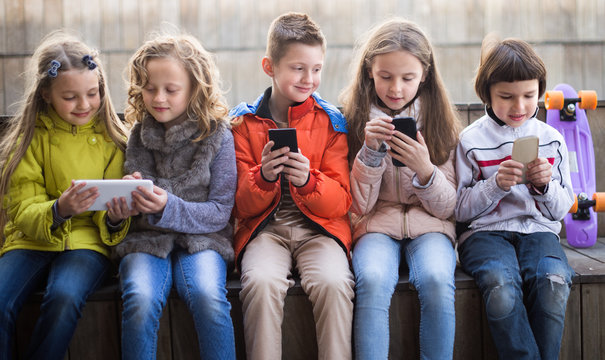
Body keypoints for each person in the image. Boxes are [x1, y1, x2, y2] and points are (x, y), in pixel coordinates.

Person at [229, 12, 354, 360]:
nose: (309, 78)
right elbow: (239, 205)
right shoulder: (243, 123)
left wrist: (308, 180)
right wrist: (264, 176)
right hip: (264, 230)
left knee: (334, 283)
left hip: (319, 229)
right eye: (298, 68)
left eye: (316, 69)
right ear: (269, 66)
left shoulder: (332, 123)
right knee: (261, 283)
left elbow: (341, 202)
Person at [0, 31, 131, 360]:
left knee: (64, 297)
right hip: (30, 241)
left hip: (87, 244)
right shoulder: (29, 139)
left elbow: (109, 212)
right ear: (46, 93)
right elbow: (22, 206)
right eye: (70, 97)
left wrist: (116, 215)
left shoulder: (113, 139)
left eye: (92, 93)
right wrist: (59, 209)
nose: (84, 105)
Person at [340, 18, 461, 360]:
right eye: (385, 76)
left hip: (431, 226)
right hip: (376, 225)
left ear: (424, 74)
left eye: (407, 78)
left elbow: (448, 207)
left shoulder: (440, 121)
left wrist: (425, 169)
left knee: (438, 279)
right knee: (374, 280)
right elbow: (359, 206)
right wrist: (369, 153)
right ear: (369, 72)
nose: (396, 88)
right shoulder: (352, 120)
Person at [116, 33, 237, 360]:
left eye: (171, 90)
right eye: (151, 88)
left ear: (195, 89)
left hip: (205, 239)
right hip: (147, 241)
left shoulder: (219, 136)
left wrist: (168, 206)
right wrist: (123, 206)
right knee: (139, 298)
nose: (159, 98)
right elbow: (134, 204)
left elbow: (219, 212)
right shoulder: (139, 136)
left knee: (207, 294)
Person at [455, 35, 575, 359]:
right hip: (484, 234)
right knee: (500, 285)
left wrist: (545, 187)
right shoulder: (470, 140)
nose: (519, 107)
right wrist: (495, 185)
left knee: (553, 281)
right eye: (506, 97)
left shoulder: (552, 139)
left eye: (529, 95)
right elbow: (460, 210)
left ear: (540, 91)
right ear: (487, 93)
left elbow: (562, 210)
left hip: (538, 231)